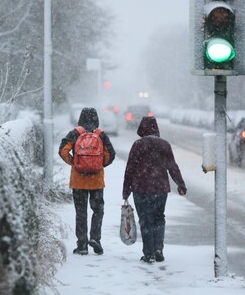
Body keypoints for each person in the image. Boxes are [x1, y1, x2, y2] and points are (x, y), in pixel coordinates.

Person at [122, 116, 187, 263]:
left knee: (145, 220)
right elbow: (172, 167)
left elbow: (130, 169)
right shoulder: (164, 145)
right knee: (159, 218)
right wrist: (180, 184)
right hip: (160, 188)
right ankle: (158, 249)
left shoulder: (138, 145)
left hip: (141, 188)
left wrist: (126, 190)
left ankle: (148, 252)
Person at [59, 107, 116, 255]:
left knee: (81, 212)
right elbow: (111, 155)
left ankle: (82, 245)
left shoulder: (75, 133)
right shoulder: (101, 135)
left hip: (78, 181)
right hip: (96, 181)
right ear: (96, 118)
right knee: (98, 210)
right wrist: (98, 165)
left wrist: (75, 163)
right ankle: (95, 239)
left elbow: (63, 150)